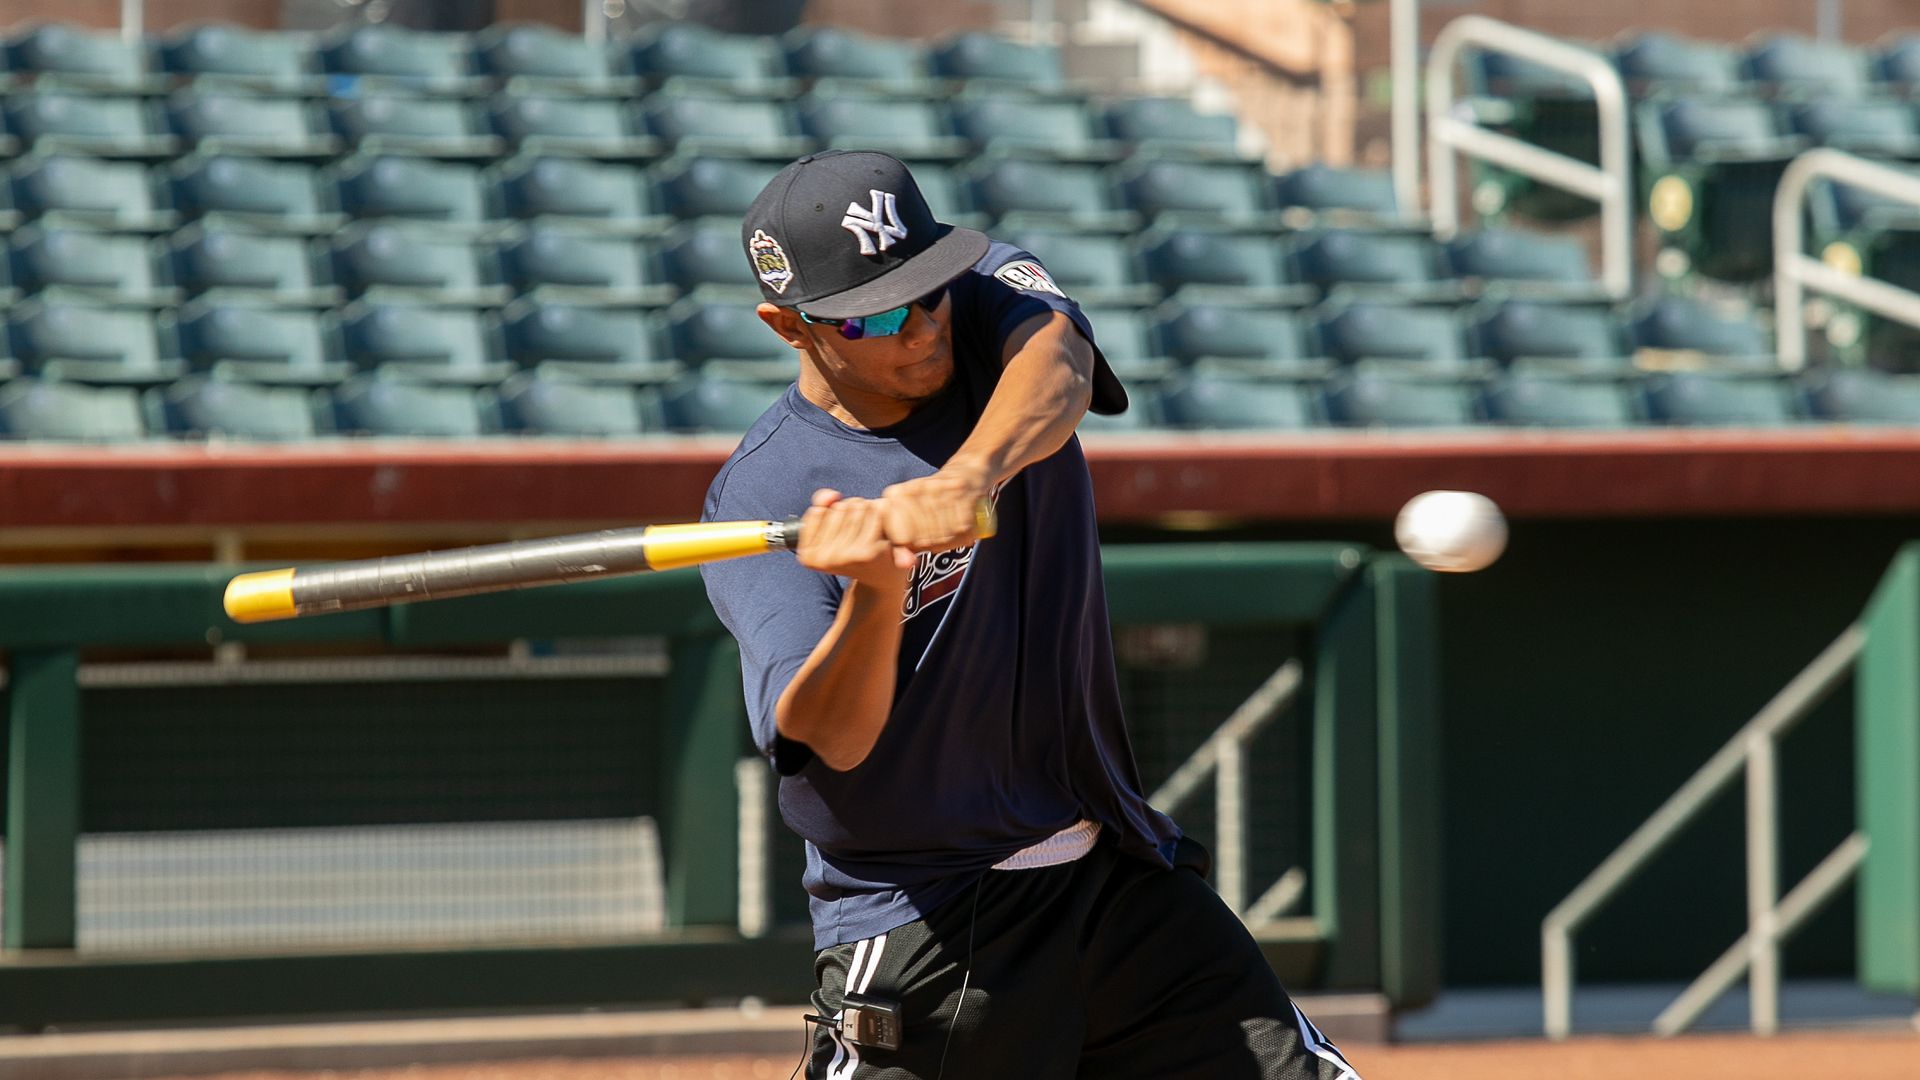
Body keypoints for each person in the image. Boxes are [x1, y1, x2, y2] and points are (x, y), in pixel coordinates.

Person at [699, 149, 1361, 1080]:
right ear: (788, 327)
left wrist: (966, 478)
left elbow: (1061, 364)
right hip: (930, 924)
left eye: (928, 290)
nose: (923, 327)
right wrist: (879, 591)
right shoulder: (757, 494)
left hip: (1111, 874)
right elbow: (825, 740)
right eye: (877, 314)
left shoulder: (981, 305)